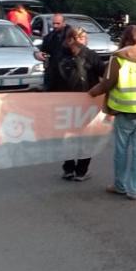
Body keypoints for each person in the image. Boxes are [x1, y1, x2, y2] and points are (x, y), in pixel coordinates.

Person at [88, 25, 136, 200]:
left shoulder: (117, 58)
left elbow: (107, 83)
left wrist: (92, 93)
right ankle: (135, 190)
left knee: (121, 150)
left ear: (124, 39)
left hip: (124, 110)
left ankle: (120, 185)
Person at [57, 26, 106, 182]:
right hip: (82, 103)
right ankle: (78, 170)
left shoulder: (60, 56)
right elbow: (104, 74)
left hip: (70, 103)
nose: (82, 41)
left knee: (70, 136)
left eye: (83, 38)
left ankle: (72, 168)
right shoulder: (89, 56)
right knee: (82, 136)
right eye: (80, 38)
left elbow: (50, 81)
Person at [40, 13, 73, 91]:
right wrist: (40, 55)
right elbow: (45, 53)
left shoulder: (71, 36)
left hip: (67, 74)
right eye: (54, 23)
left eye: (58, 23)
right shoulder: (49, 37)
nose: (55, 26)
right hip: (52, 74)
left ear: (64, 23)